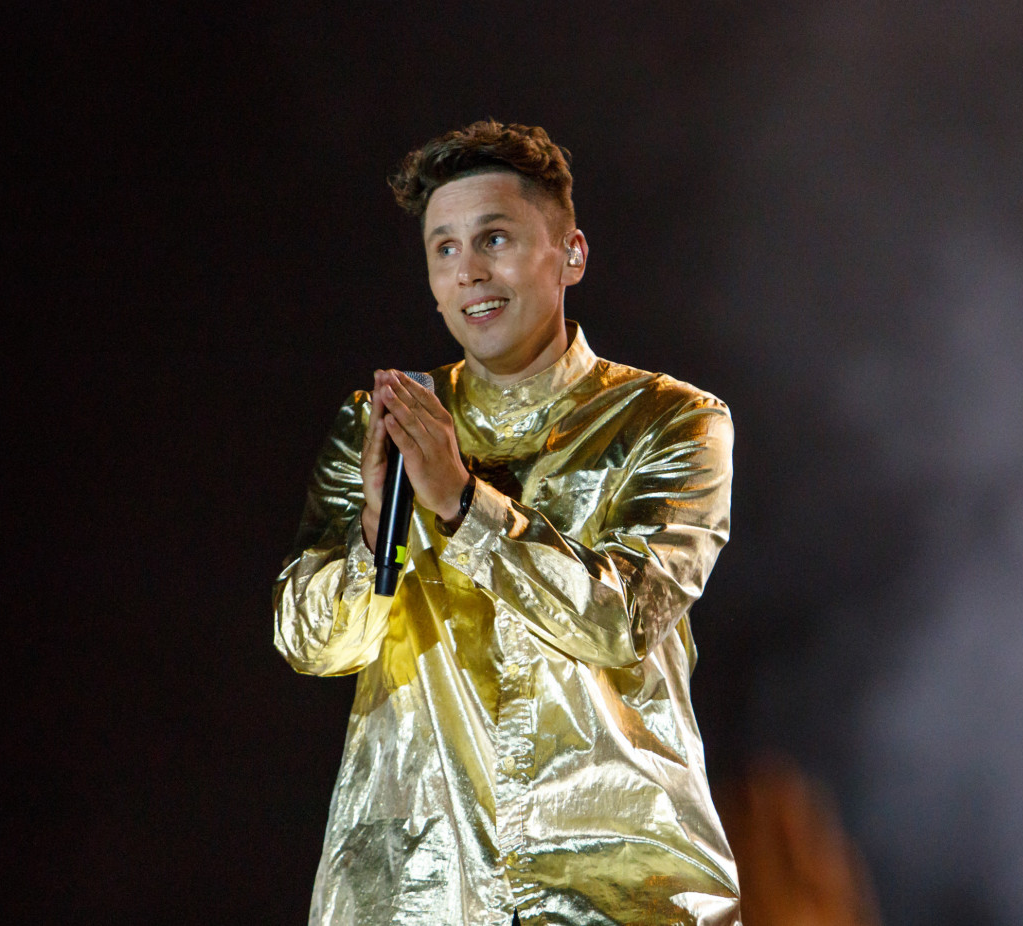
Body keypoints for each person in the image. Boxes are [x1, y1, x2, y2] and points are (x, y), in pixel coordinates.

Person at [274, 120, 739, 925]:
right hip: (418, 887)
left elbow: (625, 619)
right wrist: (375, 534)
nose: (470, 272)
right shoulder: (381, 424)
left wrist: (463, 504)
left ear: (571, 255)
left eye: (494, 238)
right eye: (445, 249)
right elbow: (309, 644)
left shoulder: (673, 421)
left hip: (617, 891)